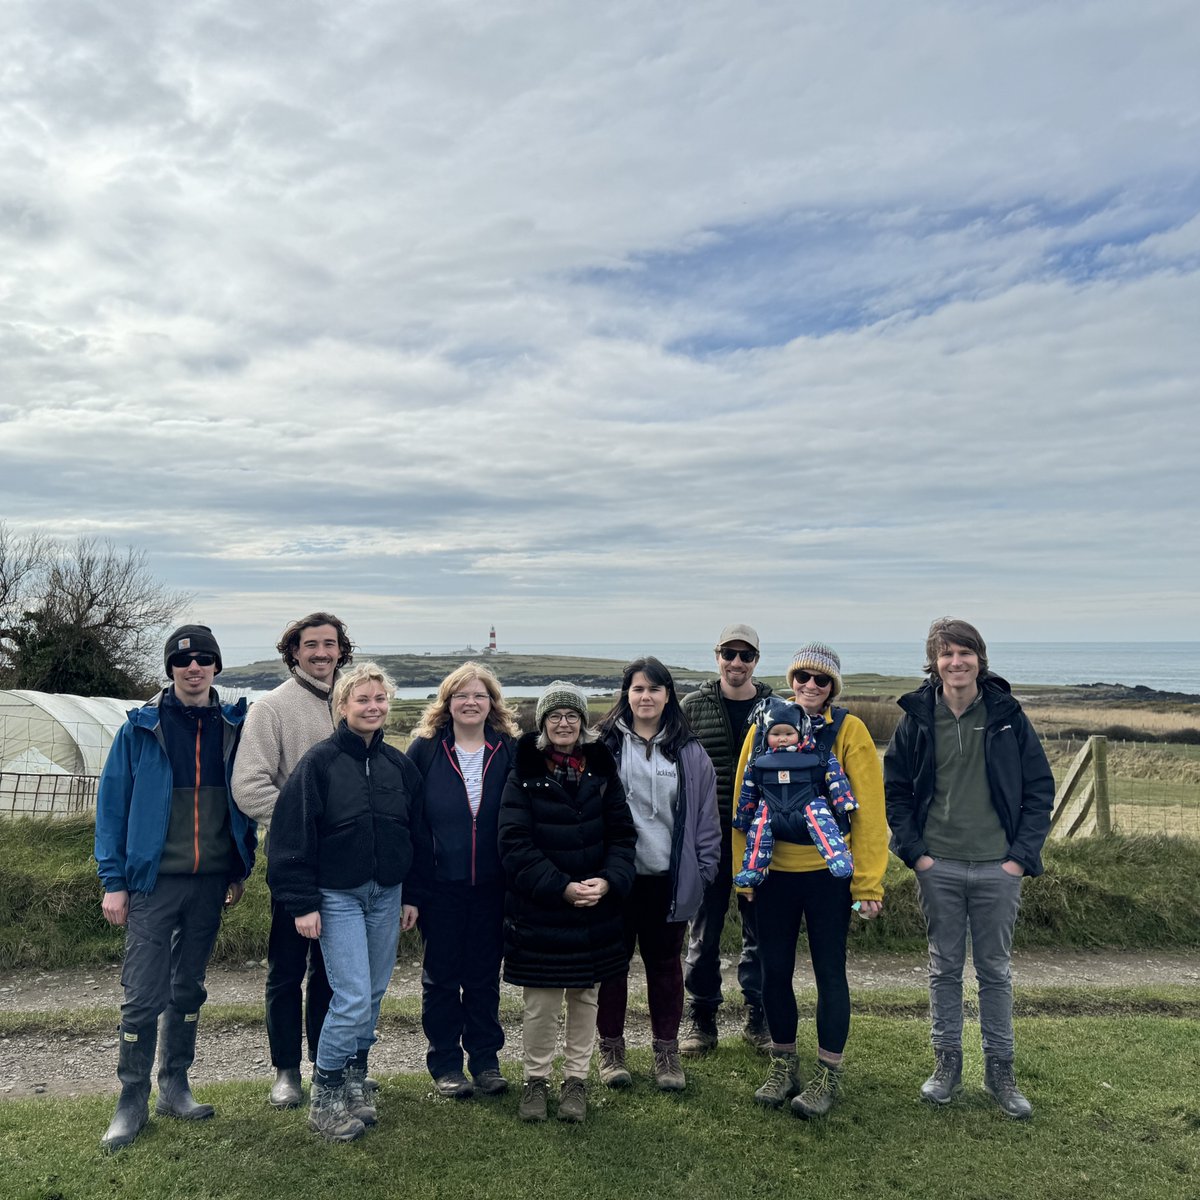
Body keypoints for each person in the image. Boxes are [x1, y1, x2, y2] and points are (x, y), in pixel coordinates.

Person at [94, 624, 257, 1151]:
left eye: (205, 660)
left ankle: (175, 1085)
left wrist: (237, 867)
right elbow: (112, 808)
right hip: (151, 883)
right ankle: (130, 1099)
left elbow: (245, 800)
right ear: (171, 669)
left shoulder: (236, 725)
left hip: (210, 881)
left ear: (215, 667)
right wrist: (114, 882)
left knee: (188, 989)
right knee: (143, 995)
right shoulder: (141, 728)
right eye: (184, 661)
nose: (194, 668)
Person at [884, 618, 1054, 1119]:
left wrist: (1019, 859)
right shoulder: (917, 716)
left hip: (997, 868)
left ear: (980, 658)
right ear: (933, 663)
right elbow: (896, 791)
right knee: (944, 969)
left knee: (996, 972)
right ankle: (946, 1067)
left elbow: (1038, 790)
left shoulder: (1006, 715)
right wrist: (915, 854)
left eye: (965, 653)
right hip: (938, 865)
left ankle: (1001, 1072)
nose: (956, 662)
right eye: (946, 654)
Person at [268, 662, 427, 1142]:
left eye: (380, 699)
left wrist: (411, 894)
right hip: (336, 896)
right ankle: (326, 1099)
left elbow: (415, 835)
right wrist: (302, 903)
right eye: (363, 699)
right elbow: (289, 837)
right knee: (352, 994)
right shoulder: (318, 764)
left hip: (387, 894)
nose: (373, 707)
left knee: (374, 994)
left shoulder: (399, 766)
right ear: (342, 706)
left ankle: (355, 1083)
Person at [734, 642, 887, 1118]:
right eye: (802, 677)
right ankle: (784, 1066)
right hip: (773, 874)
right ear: (792, 680)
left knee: (829, 973)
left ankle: (827, 1074)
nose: (810, 686)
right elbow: (743, 801)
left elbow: (868, 811)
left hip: (827, 877)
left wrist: (868, 883)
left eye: (821, 680)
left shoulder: (850, 730)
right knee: (774, 971)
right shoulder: (764, 725)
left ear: (833, 687)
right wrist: (745, 874)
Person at [497, 681, 636, 1124]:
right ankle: (534, 1081)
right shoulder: (522, 771)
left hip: (596, 909)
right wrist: (562, 887)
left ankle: (575, 1081)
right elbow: (513, 843)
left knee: (584, 997)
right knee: (540, 1002)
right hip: (541, 908)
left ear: (583, 722)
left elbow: (622, 836)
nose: (563, 723)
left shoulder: (601, 770)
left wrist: (609, 882)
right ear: (542, 724)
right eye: (554, 716)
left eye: (572, 715)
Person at [232, 612, 352, 1108]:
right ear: (294, 652)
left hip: (347, 867)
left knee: (333, 974)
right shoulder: (272, 708)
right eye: (311, 645)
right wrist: (303, 820)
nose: (321, 653)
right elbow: (248, 786)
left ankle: (330, 1065)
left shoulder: (354, 700)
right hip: (294, 861)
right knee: (286, 971)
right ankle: (286, 1070)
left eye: (330, 644)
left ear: (342, 650)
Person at [594, 657, 720, 1091]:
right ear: (625, 694)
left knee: (665, 967)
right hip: (615, 879)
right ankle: (610, 1051)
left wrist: (702, 874)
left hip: (668, 878)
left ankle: (666, 1053)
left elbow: (707, 820)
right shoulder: (603, 745)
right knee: (612, 966)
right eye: (637, 689)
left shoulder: (690, 751)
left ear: (669, 695)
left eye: (654, 689)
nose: (645, 697)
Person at [405, 662, 518, 1100]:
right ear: (446, 703)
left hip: (495, 887)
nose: (470, 702)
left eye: (479, 695)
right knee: (441, 978)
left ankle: (486, 1062)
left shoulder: (509, 750)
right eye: (461, 695)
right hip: (439, 888)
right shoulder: (425, 750)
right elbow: (411, 826)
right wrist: (411, 892)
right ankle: (446, 1064)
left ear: (492, 703)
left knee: (485, 977)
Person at [679, 623, 775, 1055]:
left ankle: (760, 1018)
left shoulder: (777, 708)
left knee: (762, 935)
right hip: (709, 838)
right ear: (716, 655)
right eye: (729, 654)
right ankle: (702, 1020)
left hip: (762, 839)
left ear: (757, 660)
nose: (737, 663)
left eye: (746, 655)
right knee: (704, 934)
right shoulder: (692, 707)